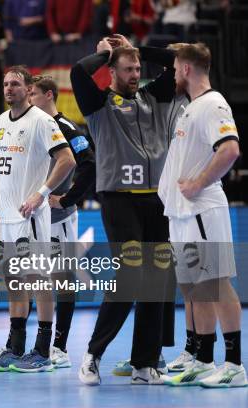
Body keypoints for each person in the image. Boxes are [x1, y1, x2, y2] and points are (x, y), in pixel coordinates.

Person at [70, 34, 177, 385]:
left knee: (157, 282)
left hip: (156, 200)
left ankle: (143, 364)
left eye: (137, 69)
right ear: (112, 72)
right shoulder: (99, 104)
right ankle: (92, 356)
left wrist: (137, 50)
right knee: (130, 278)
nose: (135, 74)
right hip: (119, 199)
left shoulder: (153, 97)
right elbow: (77, 73)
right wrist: (106, 54)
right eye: (128, 69)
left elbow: (179, 60)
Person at [159, 42, 246, 388]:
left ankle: (235, 364)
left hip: (202, 209)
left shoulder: (213, 104)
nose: (173, 73)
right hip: (181, 213)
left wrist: (198, 182)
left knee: (216, 282)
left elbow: (230, 150)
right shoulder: (191, 106)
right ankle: (204, 359)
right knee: (194, 288)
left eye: (176, 67)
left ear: (187, 69)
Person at [0, 66, 76, 373]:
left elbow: (67, 159)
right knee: (14, 281)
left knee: (38, 279)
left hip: (29, 215)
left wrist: (41, 193)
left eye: (16, 84)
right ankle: (15, 346)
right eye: (6, 84)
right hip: (4, 216)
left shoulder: (41, 121)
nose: (9, 88)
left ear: (28, 87)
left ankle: (43, 350)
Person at [28, 75, 96, 368]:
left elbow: (89, 163)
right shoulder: (28, 127)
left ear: (49, 95)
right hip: (29, 217)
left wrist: (67, 198)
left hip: (58, 218)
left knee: (61, 279)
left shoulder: (67, 127)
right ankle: (30, 344)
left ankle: (60, 347)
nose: (29, 99)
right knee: (31, 279)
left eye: (33, 94)